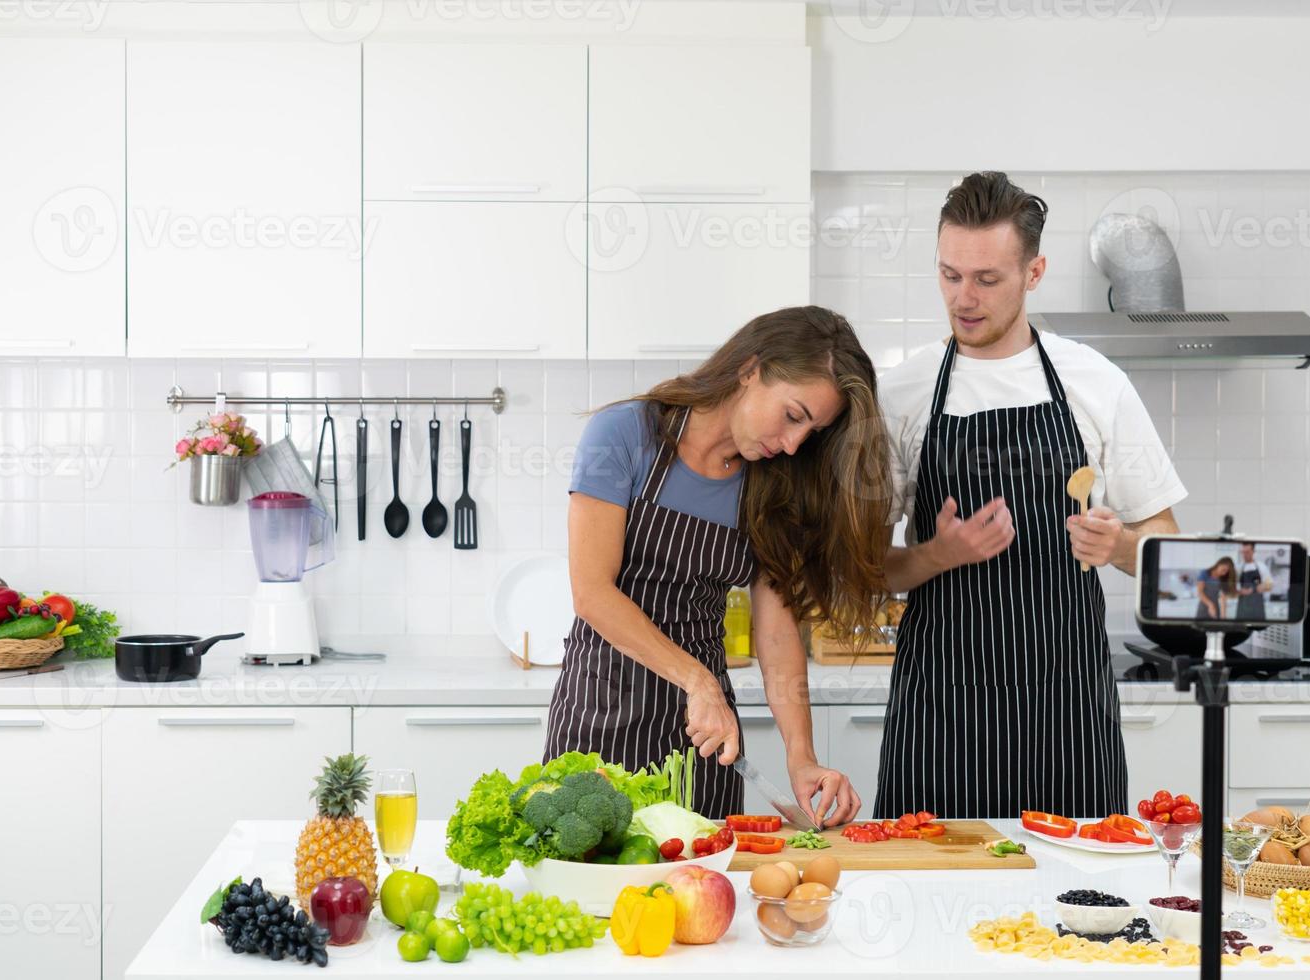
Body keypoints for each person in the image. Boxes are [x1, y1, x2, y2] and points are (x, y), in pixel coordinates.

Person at [876, 172, 1188, 819]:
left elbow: (1170, 552)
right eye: (950, 274)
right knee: (933, 901)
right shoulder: (901, 394)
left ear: (1034, 272)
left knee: (1079, 909)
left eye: (987, 279)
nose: (964, 297)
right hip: (942, 715)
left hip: (1067, 713)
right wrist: (936, 556)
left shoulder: (1095, 382)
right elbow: (860, 566)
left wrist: (1121, 544)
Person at [544, 306, 891, 825]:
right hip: (601, 711)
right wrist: (697, 682)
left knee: (701, 891)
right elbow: (592, 592)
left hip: (705, 739)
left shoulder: (776, 479)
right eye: (793, 415)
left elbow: (776, 632)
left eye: (811, 432)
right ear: (751, 370)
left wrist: (802, 758)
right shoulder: (625, 434)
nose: (794, 444)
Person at [1234, 543, 1271, 621]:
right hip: (1242, 606)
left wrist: (1253, 589)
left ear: (1253, 551)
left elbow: (1269, 585)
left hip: (1257, 605)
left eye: (1247, 552)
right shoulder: (1238, 568)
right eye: (1243, 552)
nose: (1244, 555)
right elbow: (1232, 587)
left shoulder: (1262, 567)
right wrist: (1239, 591)